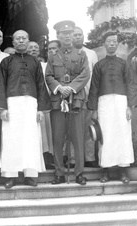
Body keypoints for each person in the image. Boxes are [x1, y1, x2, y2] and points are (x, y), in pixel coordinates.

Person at [0, 30, 51, 188]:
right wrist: (2, 108)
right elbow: (0, 84)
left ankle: (30, 175)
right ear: (13, 43)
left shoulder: (35, 62)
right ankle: (11, 175)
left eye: (23, 38)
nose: (20, 41)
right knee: (11, 139)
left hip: (31, 105)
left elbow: (40, 85)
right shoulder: (6, 62)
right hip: (12, 104)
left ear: (28, 41)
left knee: (31, 139)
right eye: (17, 38)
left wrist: (40, 109)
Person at [46, 20, 90, 185]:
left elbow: (85, 74)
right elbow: (48, 76)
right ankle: (59, 173)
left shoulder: (81, 55)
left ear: (74, 34)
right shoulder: (53, 57)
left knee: (78, 139)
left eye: (70, 33)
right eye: (63, 33)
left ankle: (79, 173)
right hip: (58, 102)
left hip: (76, 101)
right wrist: (59, 88)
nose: (67, 36)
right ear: (58, 36)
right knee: (58, 139)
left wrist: (70, 88)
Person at [88, 31, 134, 184]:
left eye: (115, 41)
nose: (112, 44)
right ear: (104, 44)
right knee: (105, 136)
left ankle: (123, 171)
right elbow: (94, 88)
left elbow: (129, 85)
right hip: (104, 104)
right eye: (109, 41)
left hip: (121, 102)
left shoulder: (123, 63)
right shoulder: (99, 65)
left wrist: (129, 107)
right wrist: (93, 109)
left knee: (123, 134)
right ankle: (105, 171)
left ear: (118, 44)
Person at [72, 26, 99, 167]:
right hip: (72, 97)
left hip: (88, 96)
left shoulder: (91, 53)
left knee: (88, 129)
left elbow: (95, 76)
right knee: (72, 130)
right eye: (75, 35)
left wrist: (94, 96)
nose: (78, 37)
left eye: (80, 34)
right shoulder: (67, 53)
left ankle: (89, 158)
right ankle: (73, 159)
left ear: (83, 36)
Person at [27, 41, 54, 165]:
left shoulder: (45, 65)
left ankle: (46, 158)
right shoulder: (23, 64)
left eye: (36, 47)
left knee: (45, 132)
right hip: (28, 101)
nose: (33, 49)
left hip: (44, 101)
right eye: (31, 47)